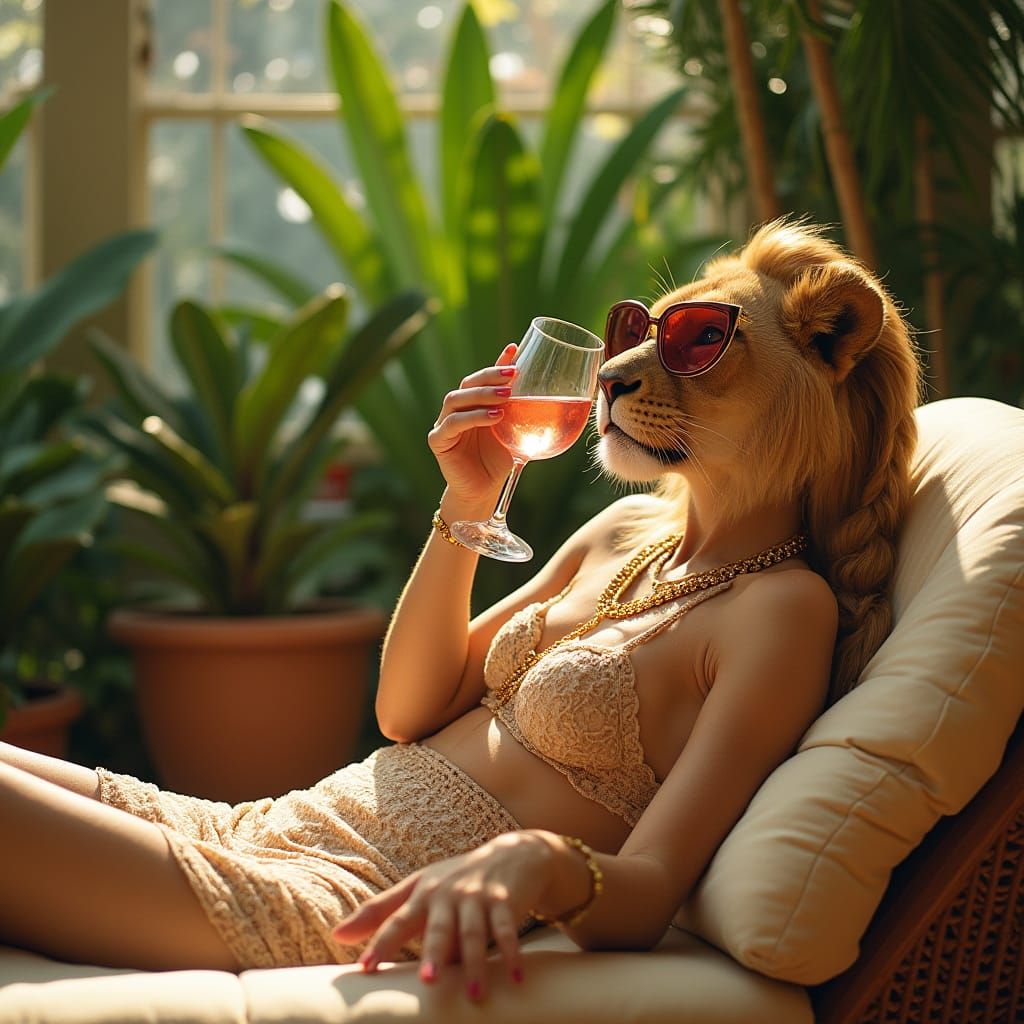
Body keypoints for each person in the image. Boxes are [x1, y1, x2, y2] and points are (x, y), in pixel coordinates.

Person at [0, 220, 920, 1002]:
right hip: (261, 825)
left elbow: (645, 891)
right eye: (640, 330)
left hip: (330, 893)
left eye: (700, 342)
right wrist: (468, 505)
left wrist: (540, 865)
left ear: (825, 355)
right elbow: (407, 710)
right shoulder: (623, 530)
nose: (625, 366)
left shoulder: (779, 612)